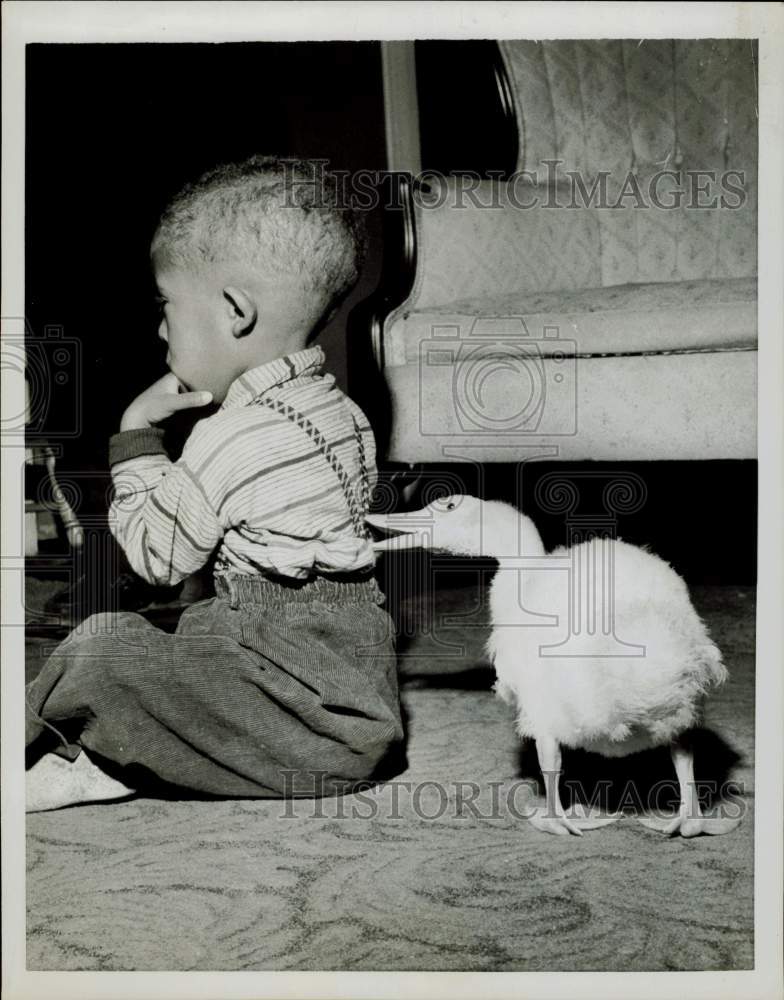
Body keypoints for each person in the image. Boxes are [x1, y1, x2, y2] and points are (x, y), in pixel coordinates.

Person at [25, 156, 404, 811]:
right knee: (193, 638)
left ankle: (84, 748)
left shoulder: (228, 436)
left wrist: (136, 436)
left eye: (167, 305)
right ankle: (138, 755)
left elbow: (157, 561)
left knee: (101, 647)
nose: (162, 328)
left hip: (291, 720)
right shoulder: (348, 415)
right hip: (359, 725)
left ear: (234, 310)